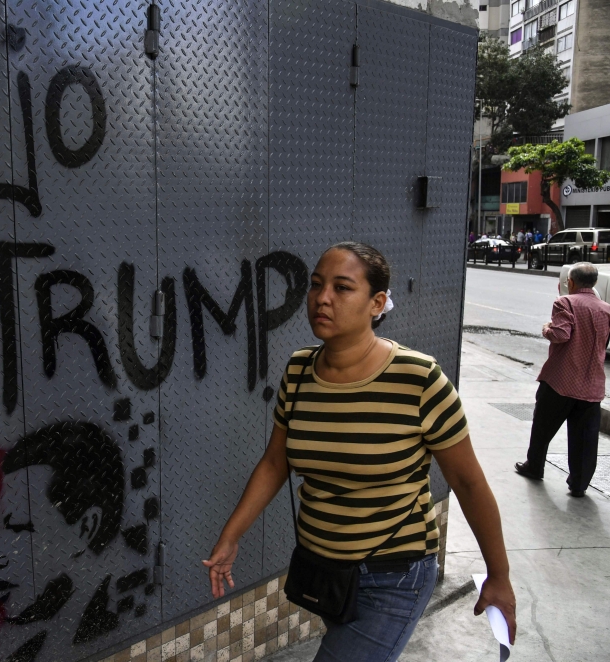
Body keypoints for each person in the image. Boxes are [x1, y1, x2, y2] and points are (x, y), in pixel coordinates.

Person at [203, 242, 516, 662]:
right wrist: (231, 536)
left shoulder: (419, 379)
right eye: (316, 285)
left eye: (342, 287)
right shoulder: (298, 371)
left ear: (378, 302)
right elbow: (276, 463)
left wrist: (500, 575)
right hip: (325, 573)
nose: (322, 298)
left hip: (395, 574)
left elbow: (468, 482)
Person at [515, 262, 610, 497]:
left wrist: (547, 328)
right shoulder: (607, 309)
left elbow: (560, 335)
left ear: (571, 282)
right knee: (585, 439)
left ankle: (534, 467)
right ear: (595, 283)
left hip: (561, 381)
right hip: (592, 385)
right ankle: (579, 484)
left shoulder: (565, 302)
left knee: (543, 427)